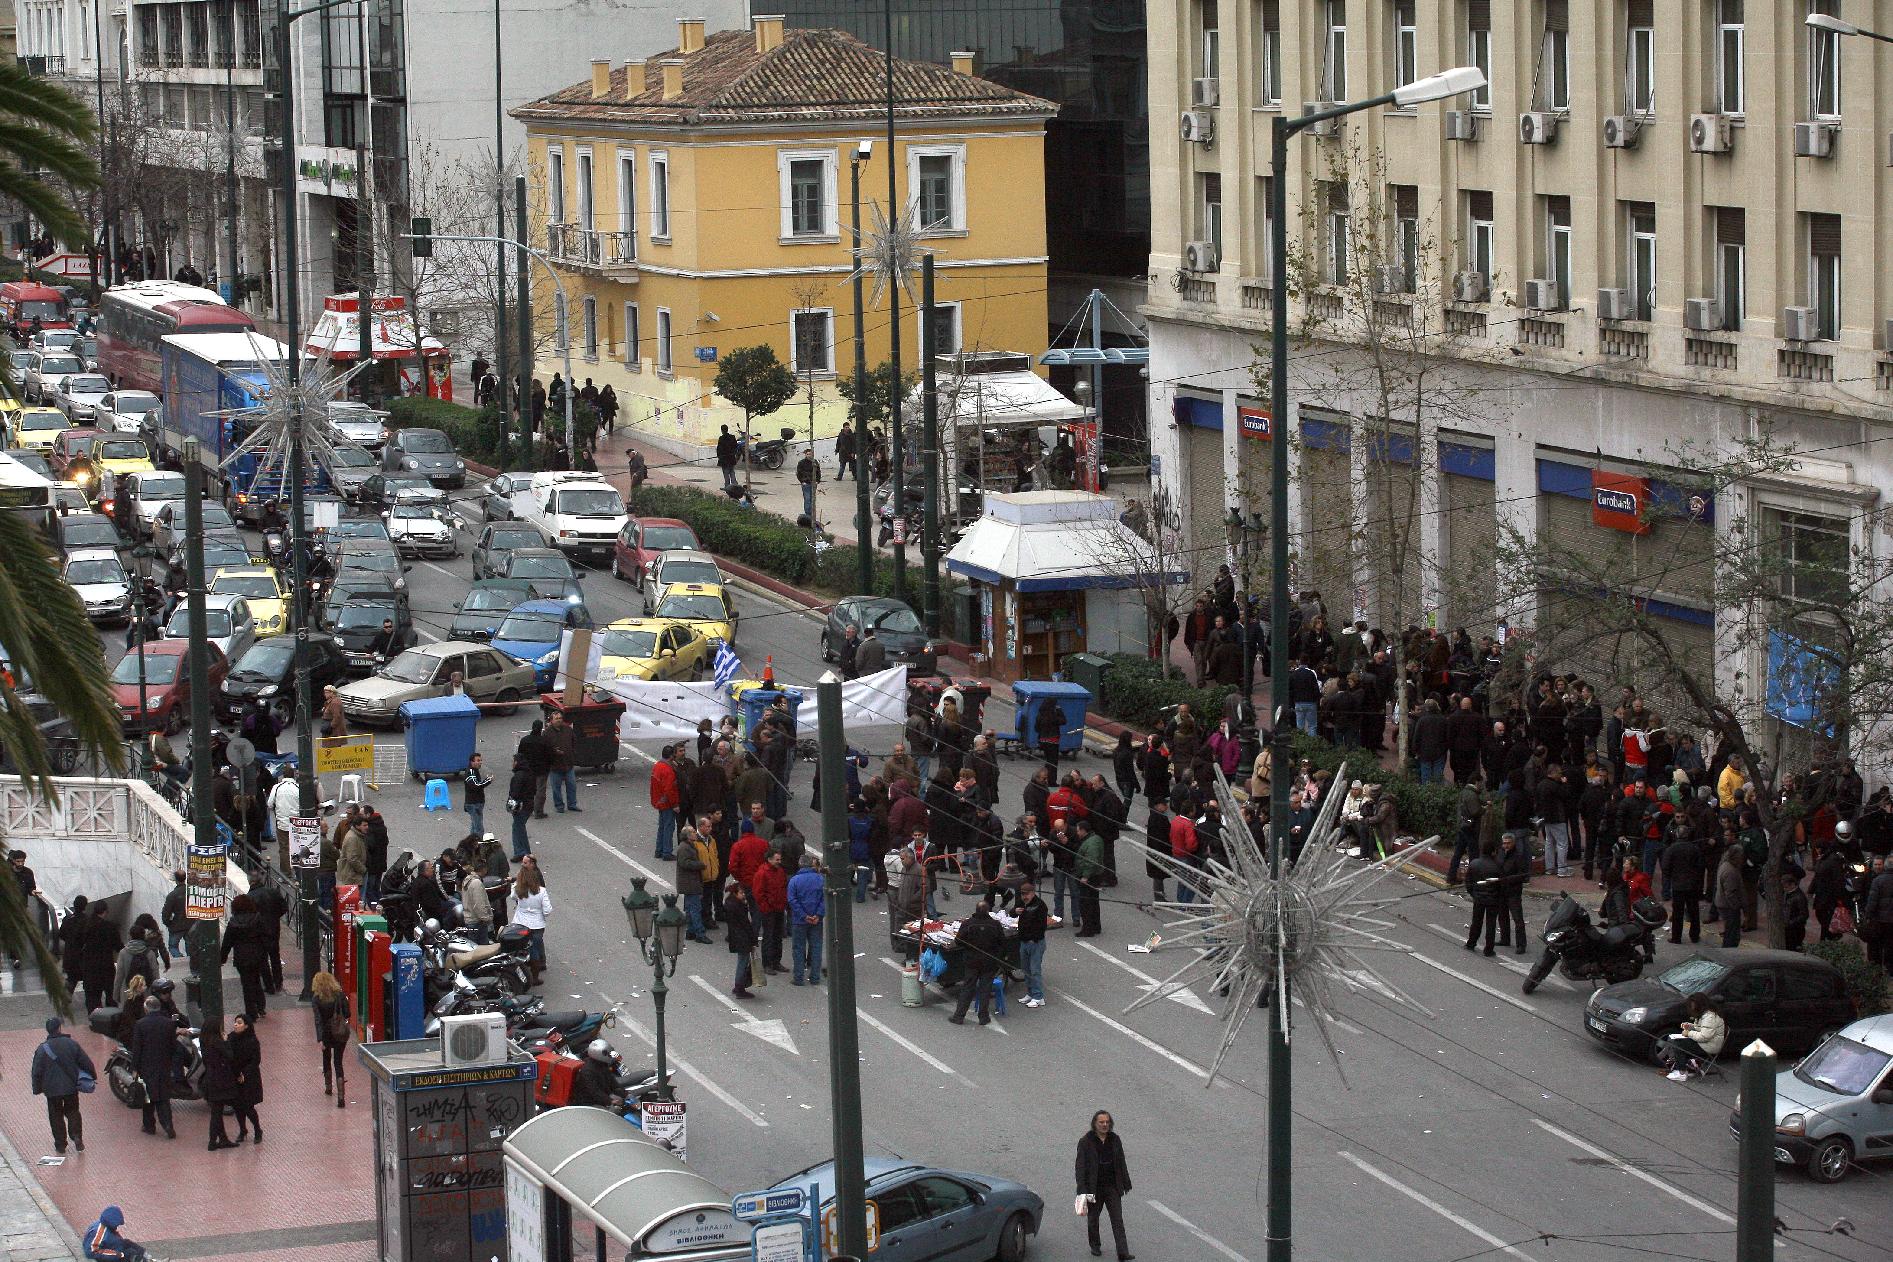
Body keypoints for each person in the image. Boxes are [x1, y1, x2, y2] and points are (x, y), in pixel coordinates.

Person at [1074, 1111, 1134, 1261]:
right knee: (1093, 1218)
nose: (1105, 1125)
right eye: (1101, 1122)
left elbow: (1121, 1162)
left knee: (1117, 1219)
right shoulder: (1086, 1142)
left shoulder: (1115, 1140)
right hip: (1093, 1188)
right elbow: (1080, 1167)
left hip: (1112, 1187)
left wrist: (1126, 1183)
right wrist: (1082, 1190)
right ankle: (1095, 1246)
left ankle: (1123, 1252)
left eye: (1107, 1122)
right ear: (1095, 1123)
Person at [31, 1016, 94, 1156]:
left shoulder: (42, 1049)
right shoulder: (71, 1043)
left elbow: (36, 1071)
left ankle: (60, 1144)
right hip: (70, 1087)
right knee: (73, 1111)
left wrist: (37, 1088)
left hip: (52, 1090)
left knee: (55, 1116)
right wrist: (92, 1075)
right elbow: (85, 1061)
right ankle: (76, 1136)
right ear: (59, 1028)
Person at [947, 897, 1005, 1026]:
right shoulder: (995, 925)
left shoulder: (968, 924)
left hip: (971, 961)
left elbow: (958, 941)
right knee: (985, 989)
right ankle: (983, 1017)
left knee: (967, 988)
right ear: (988, 911)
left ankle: (959, 1016)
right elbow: (1002, 943)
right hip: (989, 962)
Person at [128, 995, 178, 1138]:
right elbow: (173, 1046)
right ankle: (168, 1123)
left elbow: (137, 1048)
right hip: (164, 1065)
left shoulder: (140, 1024)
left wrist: (134, 1068)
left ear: (146, 1008)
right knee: (163, 1096)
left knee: (148, 1096)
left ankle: (149, 1125)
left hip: (146, 1066)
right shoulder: (169, 1024)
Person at [219, 893, 271, 1018]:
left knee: (246, 984)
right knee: (256, 980)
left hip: (241, 957)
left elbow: (227, 942)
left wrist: (222, 958)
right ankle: (260, 1006)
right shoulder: (257, 919)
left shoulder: (233, 923)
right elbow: (266, 937)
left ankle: (251, 1012)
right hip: (257, 955)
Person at [1658, 995, 1727, 1080]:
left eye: (1693, 1005)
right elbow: (1702, 1028)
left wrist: (1688, 1033)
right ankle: (1687, 1069)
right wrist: (1691, 1026)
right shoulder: (1705, 1015)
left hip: (1709, 1046)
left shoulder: (1709, 1017)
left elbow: (1704, 1036)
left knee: (1678, 1045)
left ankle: (1681, 1073)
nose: (1692, 1007)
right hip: (1706, 1043)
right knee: (1677, 1041)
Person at [311, 971, 352, 1106]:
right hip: (340, 1032)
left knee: (326, 1058)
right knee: (338, 1062)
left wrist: (320, 1039)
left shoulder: (316, 999)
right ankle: (341, 1097)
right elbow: (348, 1013)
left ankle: (328, 1087)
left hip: (326, 1034)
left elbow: (318, 1020)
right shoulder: (339, 995)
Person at [1661, 826, 1705, 945]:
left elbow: (1665, 866)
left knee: (1677, 913)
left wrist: (1671, 878)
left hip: (1678, 885)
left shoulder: (1671, 849)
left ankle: (1676, 937)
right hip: (1692, 885)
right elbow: (1700, 866)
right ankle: (1694, 935)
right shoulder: (1694, 849)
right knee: (1694, 911)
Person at [201, 1024, 241, 1150]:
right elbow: (230, 1056)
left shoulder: (205, 1042)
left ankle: (222, 1138)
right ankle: (212, 1141)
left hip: (210, 1080)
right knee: (216, 1113)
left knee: (216, 1111)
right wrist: (226, 1042)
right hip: (220, 1081)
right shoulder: (218, 1043)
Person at [787, 853, 824, 985]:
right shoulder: (820, 879)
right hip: (816, 920)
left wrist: (804, 915)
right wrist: (817, 915)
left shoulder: (794, 881)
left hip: (799, 920)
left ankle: (798, 977)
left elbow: (792, 900)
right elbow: (824, 899)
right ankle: (815, 977)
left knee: (798, 948)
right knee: (816, 948)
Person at [513, 859, 552, 984]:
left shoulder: (518, 889)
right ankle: (534, 977)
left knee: (520, 947)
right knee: (535, 948)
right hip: (536, 925)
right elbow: (547, 910)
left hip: (520, 923)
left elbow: (512, 896)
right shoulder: (541, 891)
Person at [1462, 842, 1505, 954]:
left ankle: (1471, 943)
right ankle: (1489, 948)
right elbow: (1502, 884)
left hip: (1479, 898)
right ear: (1493, 852)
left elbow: (1468, 882)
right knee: (1491, 924)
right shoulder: (1498, 865)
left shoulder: (1474, 864)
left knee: (1476, 922)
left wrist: (1474, 894)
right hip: (1493, 899)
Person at [1014, 880, 1049, 1007]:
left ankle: (1038, 996)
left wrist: (1032, 938)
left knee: (1035, 970)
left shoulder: (1040, 906)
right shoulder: (1023, 903)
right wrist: (1015, 911)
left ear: (1033, 893)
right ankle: (1030, 993)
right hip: (1024, 942)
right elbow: (1013, 912)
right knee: (1026, 969)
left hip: (1035, 943)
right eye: (1022, 894)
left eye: (1026, 894)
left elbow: (1041, 927)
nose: (1024, 897)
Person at [229, 1012, 263, 1142]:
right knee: (238, 1106)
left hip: (249, 1078)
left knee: (248, 1106)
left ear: (246, 1026)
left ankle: (257, 1129)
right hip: (235, 1076)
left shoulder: (252, 1041)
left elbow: (255, 1061)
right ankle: (243, 1130)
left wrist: (244, 1074)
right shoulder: (231, 1038)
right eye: (235, 1022)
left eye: (239, 1023)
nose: (236, 1025)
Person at [1495, 831, 1528, 954]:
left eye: (1508, 843)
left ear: (1513, 843)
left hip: (1513, 891)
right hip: (1501, 890)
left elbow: (1523, 875)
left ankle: (1521, 944)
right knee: (1502, 916)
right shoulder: (1500, 853)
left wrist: (1509, 879)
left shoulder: (1519, 856)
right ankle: (1505, 938)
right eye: (1504, 843)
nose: (1506, 846)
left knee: (1517, 919)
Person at [725, 879, 757, 999]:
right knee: (743, 963)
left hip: (736, 937)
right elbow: (746, 925)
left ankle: (738, 986)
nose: (743, 895)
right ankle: (740, 987)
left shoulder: (729, 904)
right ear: (735, 893)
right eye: (741, 893)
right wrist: (753, 940)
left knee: (741, 961)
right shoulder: (738, 907)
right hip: (742, 938)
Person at [544, 711, 580, 813]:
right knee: (556, 788)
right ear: (551, 720)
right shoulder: (547, 733)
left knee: (572, 785)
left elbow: (574, 742)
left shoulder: (568, 729)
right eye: (556, 718)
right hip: (555, 766)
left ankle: (572, 804)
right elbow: (544, 748)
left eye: (560, 718)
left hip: (568, 764)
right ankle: (559, 806)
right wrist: (554, 752)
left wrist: (573, 753)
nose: (559, 720)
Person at [82, 1206, 147, 1262]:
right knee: (130, 1254)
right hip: (109, 1255)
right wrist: (121, 1255)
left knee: (129, 1244)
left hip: (112, 1246)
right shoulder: (99, 1232)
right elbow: (92, 1252)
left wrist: (125, 1243)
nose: (116, 1227)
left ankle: (140, 1256)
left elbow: (113, 1237)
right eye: (116, 1225)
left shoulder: (103, 1225)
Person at [650, 745, 680, 860]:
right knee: (669, 827)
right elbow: (670, 790)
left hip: (659, 801)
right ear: (671, 756)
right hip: (667, 803)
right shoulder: (668, 770)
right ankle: (667, 852)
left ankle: (659, 850)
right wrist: (675, 804)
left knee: (662, 827)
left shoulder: (657, 766)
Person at [1715, 847, 1746, 950]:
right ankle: (1729, 953)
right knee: (1732, 935)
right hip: (1728, 906)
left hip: (1724, 904)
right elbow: (1730, 894)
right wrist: (1737, 906)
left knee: (1729, 931)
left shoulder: (1725, 866)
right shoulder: (1730, 871)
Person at [507, 753, 536, 859]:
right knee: (519, 827)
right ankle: (522, 850)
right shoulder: (530, 773)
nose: (512, 763)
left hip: (520, 806)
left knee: (518, 828)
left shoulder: (519, 775)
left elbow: (515, 792)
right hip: (529, 804)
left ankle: (522, 852)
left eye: (513, 761)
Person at [461, 864, 494, 944]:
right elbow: (479, 904)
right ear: (483, 869)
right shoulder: (477, 883)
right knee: (482, 949)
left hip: (470, 919)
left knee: (473, 948)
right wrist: (487, 918)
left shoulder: (468, 880)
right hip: (477, 922)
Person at [462, 752, 491, 837]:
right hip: (473, 804)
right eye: (478, 760)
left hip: (476, 803)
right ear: (472, 762)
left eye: (481, 760)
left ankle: (471, 846)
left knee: (474, 827)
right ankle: (478, 848)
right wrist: (488, 781)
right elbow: (475, 785)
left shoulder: (475, 771)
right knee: (479, 829)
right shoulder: (470, 772)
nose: (480, 762)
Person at [1035, 697, 1066, 772]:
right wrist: (1059, 710)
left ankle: (1045, 776)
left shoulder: (1040, 715)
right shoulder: (1053, 716)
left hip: (1043, 740)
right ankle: (1051, 781)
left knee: (1048, 760)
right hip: (1053, 741)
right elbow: (1064, 721)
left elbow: (1036, 728)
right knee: (1053, 763)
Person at [716, 424, 740, 491]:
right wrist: (733, 453)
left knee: (726, 473)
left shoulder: (721, 438)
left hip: (724, 459)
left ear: (722, 430)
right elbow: (736, 446)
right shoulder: (732, 437)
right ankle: (735, 486)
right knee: (732, 472)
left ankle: (727, 487)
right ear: (727, 429)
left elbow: (719, 449)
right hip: (731, 458)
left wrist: (719, 456)